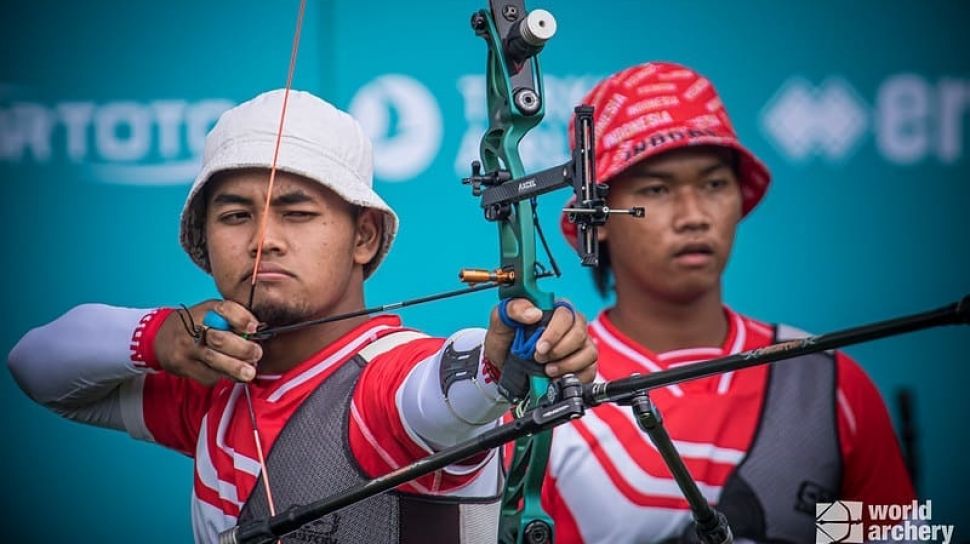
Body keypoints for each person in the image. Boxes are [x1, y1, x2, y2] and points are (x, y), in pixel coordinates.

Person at [7, 89, 597, 544]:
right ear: (205, 238)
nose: (263, 240)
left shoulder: (382, 388)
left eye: (296, 213)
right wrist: (158, 337)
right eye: (236, 216)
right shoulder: (217, 387)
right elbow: (35, 365)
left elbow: (439, 389)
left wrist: (499, 362)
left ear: (364, 236)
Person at [546, 62, 914, 543]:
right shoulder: (550, 391)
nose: (694, 215)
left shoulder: (826, 381)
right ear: (598, 220)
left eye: (714, 185)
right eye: (657, 189)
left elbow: (885, 535)